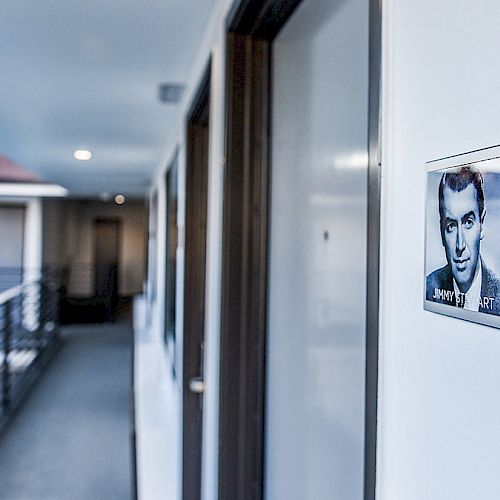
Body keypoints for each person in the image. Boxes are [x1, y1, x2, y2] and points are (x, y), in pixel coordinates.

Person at [426, 166, 500, 314]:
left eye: (468, 223)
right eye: (451, 226)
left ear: (482, 223)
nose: (460, 245)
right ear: (442, 231)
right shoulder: (428, 288)